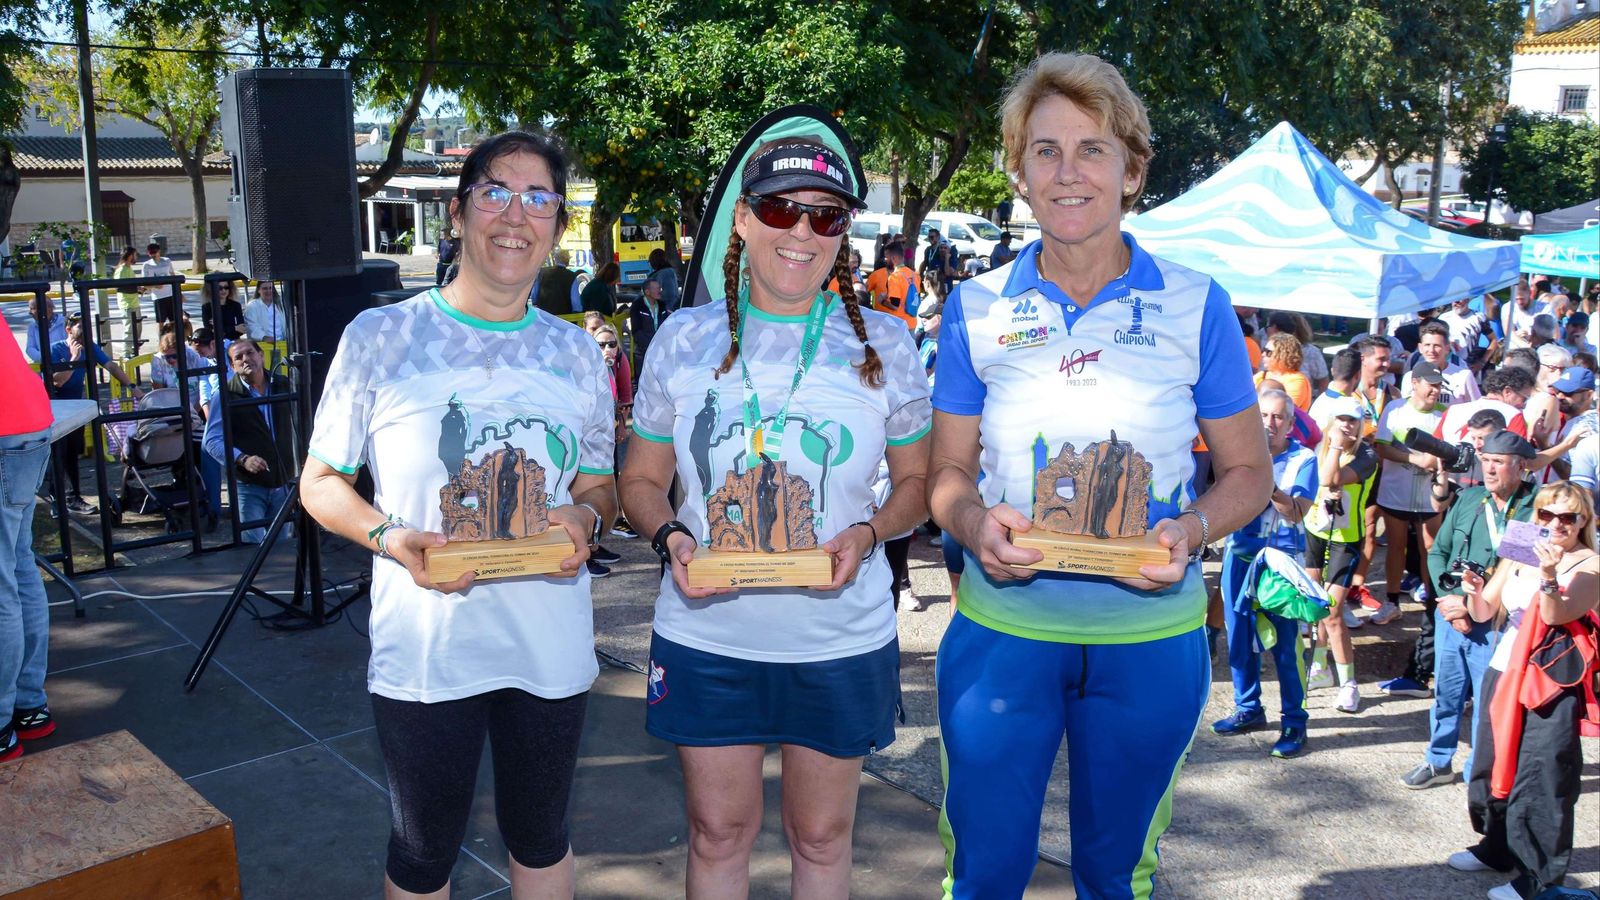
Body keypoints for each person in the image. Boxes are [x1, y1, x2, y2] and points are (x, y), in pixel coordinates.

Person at [926, 53, 1270, 897]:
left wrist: (1190, 531)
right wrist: (971, 526)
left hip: (1149, 645)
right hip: (1004, 637)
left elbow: (1249, 473)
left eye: (1092, 149)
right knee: (982, 875)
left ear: (1133, 170)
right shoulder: (976, 307)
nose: (1068, 172)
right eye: (1045, 150)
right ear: (1019, 170)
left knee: (1117, 880)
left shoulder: (1198, 303)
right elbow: (946, 475)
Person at [299, 131, 616, 898]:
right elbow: (320, 481)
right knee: (423, 852)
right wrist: (389, 536)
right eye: (495, 192)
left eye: (540, 198)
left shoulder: (577, 355)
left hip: (548, 645)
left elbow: (600, 483)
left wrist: (586, 520)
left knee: (541, 839)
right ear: (459, 211)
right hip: (428, 651)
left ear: (557, 224)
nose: (516, 215)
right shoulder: (381, 337)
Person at [619, 132, 930, 897]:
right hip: (707, 635)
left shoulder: (884, 343)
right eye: (781, 210)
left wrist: (870, 532)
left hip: (840, 638)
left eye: (825, 218)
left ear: (843, 237)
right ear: (744, 222)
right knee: (717, 833)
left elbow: (919, 483)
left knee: (821, 837)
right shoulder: (683, 340)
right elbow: (640, 481)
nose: (801, 233)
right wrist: (670, 538)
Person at [1453, 482, 1599, 900]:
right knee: (1490, 762)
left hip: (1551, 681)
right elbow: (1485, 611)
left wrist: (1550, 575)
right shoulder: (1520, 547)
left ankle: (1537, 879)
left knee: (1542, 775)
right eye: (1546, 515)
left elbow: (1556, 615)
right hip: (1505, 667)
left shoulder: (1590, 565)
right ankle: (1497, 848)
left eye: (1567, 517)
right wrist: (1473, 591)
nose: (1555, 524)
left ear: (1583, 521)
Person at [1398, 430, 1538, 789]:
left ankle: (1481, 771)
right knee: (1446, 692)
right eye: (1486, 461)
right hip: (1451, 611)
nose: (1489, 469)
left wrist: (1473, 607)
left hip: (1497, 622)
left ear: (1520, 467)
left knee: (1488, 702)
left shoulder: (1533, 507)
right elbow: (1439, 550)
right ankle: (1438, 761)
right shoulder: (1470, 498)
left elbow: (1517, 570)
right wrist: (1449, 600)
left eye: (1499, 463)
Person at [1210, 389, 1318, 757]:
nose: (1270, 423)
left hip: (1279, 564)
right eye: (1264, 416)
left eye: (1278, 417)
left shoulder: (1303, 458)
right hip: (1239, 558)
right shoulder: (1237, 458)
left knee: (1286, 647)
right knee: (1238, 639)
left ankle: (1295, 722)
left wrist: (1267, 486)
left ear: (1290, 424)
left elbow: (1297, 511)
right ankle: (1248, 708)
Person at [1, 322, 56, 761]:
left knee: (5, 585)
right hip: (33, 427)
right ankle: (29, 706)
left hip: (5, 433)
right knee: (20, 567)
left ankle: (1, 723)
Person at [1304, 395, 1378, 712]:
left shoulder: (1366, 455)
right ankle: (1320, 665)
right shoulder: (1319, 443)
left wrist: (1334, 447)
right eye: (1341, 419)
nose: (1346, 425)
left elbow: (1329, 478)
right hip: (1315, 530)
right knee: (1313, 604)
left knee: (1333, 612)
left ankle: (1349, 684)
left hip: (1345, 538)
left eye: (1352, 420)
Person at [1372, 361, 1448, 625]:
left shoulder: (1446, 413)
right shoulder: (1395, 409)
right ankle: (1391, 601)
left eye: (1439, 386)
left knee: (1431, 547)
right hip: (1396, 492)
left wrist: (1437, 463)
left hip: (1431, 495)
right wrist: (1417, 460)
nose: (1436, 391)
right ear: (1414, 383)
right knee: (1396, 545)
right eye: (1431, 385)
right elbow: (1381, 448)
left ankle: (1433, 602)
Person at [45, 321, 142, 515]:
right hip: (55, 408)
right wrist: (74, 357)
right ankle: (58, 498)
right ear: (68, 330)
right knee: (58, 454)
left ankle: (72, 497)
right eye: (80, 335)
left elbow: (111, 366)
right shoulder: (56, 349)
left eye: (86, 335)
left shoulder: (90, 347)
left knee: (72, 454)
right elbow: (58, 381)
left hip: (76, 407)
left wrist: (132, 387)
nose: (83, 340)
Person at [202, 339, 293, 543]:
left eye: (250, 353)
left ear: (261, 355)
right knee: (252, 547)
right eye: (238, 357)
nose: (246, 359)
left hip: (284, 480)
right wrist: (242, 458)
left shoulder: (283, 385)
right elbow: (212, 440)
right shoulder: (225, 395)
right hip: (249, 485)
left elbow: (302, 424)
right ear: (232, 366)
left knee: (282, 547)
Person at [588, 323, 632, 577]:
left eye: (611, 344)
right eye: (601, 344)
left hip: (607, 435)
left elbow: (621, 399)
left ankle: (596, 544)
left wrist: (620, 427)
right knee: (589, 492)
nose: (607, 349)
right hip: (590, 440)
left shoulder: (616, 364)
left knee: (608, 487)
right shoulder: (589, 368)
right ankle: (587, 553)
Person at [1403, 319, 1481, 404]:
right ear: (1420, 348)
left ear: (1447, 348)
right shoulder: (1410, 377)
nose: (1431, 350)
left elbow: (1475, 407)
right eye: (1427, 345)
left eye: (1437, 346)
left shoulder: (1464, 376)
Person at [865, 242, 918, 330]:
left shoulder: (894, 277)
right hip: (911, 323)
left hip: (896, 324)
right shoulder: (914, 275)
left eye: (886, 257)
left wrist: (882, 301)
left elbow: (895, 305)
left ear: (894, 258)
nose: (884, 259)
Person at [1255, 332, 1312, 410]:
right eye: (1263, 350)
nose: (1263, 354)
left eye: (1268, 352)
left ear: (1283, 354)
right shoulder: (1262, 376)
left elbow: (1283, 410)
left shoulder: (1297, 381)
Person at [630, 274, 670, 366]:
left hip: (662, 349)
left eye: (659, 288)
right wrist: (650, 346)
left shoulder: (662, 305)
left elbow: (666, 326)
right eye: (656, 288)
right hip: (644, 350)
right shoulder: (638, 306)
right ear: (647, 292)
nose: (660, 291)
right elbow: (636, 330)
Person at [112, 246, 143, 358]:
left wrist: (138, 288)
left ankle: (134, 350)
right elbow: (120, 287)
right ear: (130, 255)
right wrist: (136, 289)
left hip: (135, 303)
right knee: (129, 329)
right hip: (127, 304)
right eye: (135, 254)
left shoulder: (129, 269)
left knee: (138, 329)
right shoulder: (121, 270)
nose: (136, 257)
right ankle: (126, 353)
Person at [141, 241, 181, 327]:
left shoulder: (167, 261)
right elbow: (145, 284)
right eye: (150, 253)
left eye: (154, 252)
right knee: (160, 322)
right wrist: (155, 285)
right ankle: (161, 339)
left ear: (159, 251)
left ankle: (174, 339)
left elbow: (173, 275)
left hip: (170, 295)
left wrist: (178, 293)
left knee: (174, 321)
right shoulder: (146, 265)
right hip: (158, 297)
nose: (153, 255)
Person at [534, 248, 583, 315]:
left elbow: (534, 296)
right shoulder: (571, 276)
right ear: (567, 260)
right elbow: (576, 304)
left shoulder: (542, 273)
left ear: (555, 260)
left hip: (544, 318)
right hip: (564, 319)